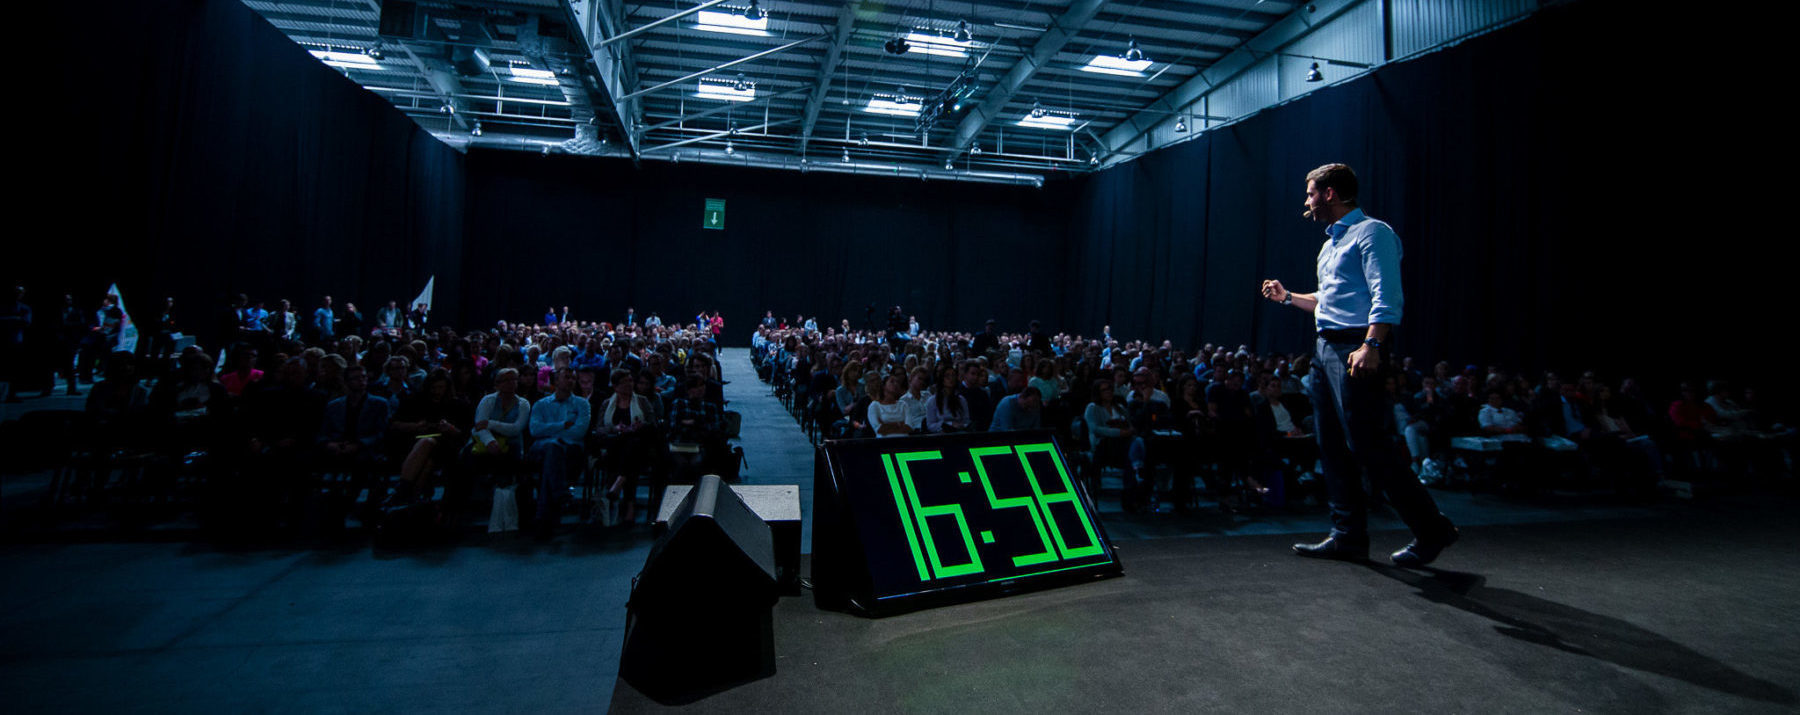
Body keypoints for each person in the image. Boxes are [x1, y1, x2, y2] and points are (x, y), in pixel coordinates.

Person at [1260, 162, 1457, 566]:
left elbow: (1386, 294)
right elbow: (1327, 300)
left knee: (1368, 445)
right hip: (1325, 348)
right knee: (1331, 446)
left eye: (1311, 193)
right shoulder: (1330, 244)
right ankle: (1347, 535)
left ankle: (1432, 528)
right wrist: (1288, 297)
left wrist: (1372, 344)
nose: (1307, 201)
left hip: (1356, 346)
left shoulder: (1372, 233)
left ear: (1329, 193)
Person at [528, 367, 590, 532]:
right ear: (556, 381)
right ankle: (560, 493)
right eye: (566, 377)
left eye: (573, 378)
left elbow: (579, 431)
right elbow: (535, 430)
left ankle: (543, 517)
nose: (570, 381)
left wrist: (551, 432)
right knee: (552, 449)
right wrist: (562, 425)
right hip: (541, 448)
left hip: (570, 449)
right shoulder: (541, 404)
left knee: (552, 456)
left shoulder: (582, 404)